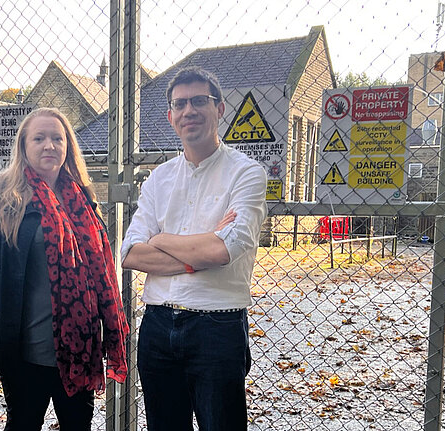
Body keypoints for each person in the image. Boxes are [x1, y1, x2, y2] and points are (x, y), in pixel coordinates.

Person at [0, 107, 129, 431]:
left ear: (67, 147)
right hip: (23, 350)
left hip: (80, 348)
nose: (49, 145)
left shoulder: (81, 198)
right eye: (39, 138)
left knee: (78, 425)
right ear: (23, 146)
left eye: (57, 138)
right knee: (23, 423)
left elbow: (100, 270)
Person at [121, 66, 267, 430]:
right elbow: (130, 254)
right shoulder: (159, 178)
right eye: (180, 104)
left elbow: (224, 250)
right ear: (171, 116)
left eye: (199, 101)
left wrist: (161, 240)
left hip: (217, 326)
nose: (190, 111)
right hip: (157, 325)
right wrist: (199, 250)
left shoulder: (246, 173)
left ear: (219, 109)